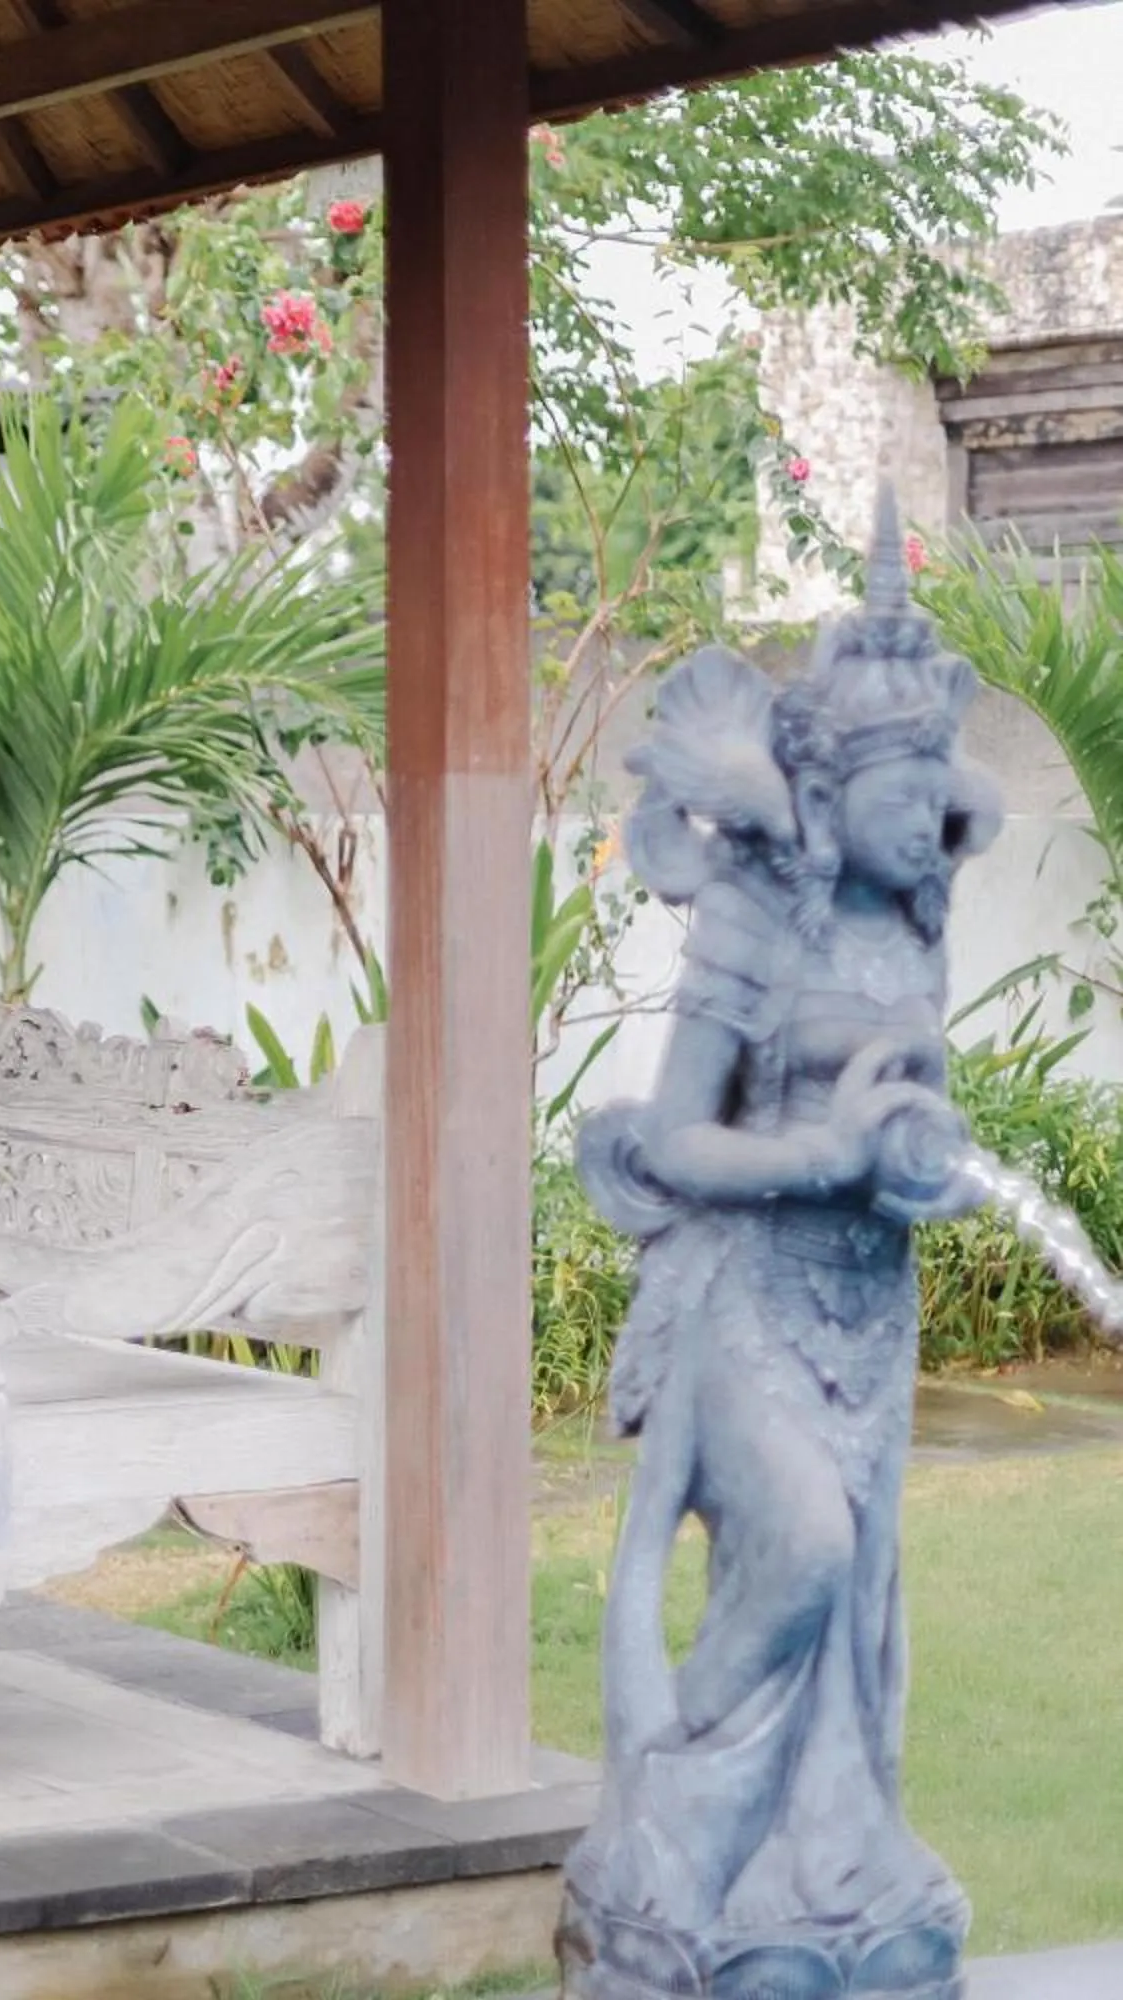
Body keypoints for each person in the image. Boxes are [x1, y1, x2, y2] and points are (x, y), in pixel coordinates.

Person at [559, 500, 1000, 2000]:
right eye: (898, 780)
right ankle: (669, 1848)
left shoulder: (913, 934)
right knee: (804, 1549)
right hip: (746, 1305)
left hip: (869, 1315)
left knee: (857, 1619)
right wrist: (820, 1154)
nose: (924, 805)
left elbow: (909, 1111)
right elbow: (673, 1139)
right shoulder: (752, 921)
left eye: (934, 780)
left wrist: (909, 1170)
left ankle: (825, 1884)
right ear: (841, 788)